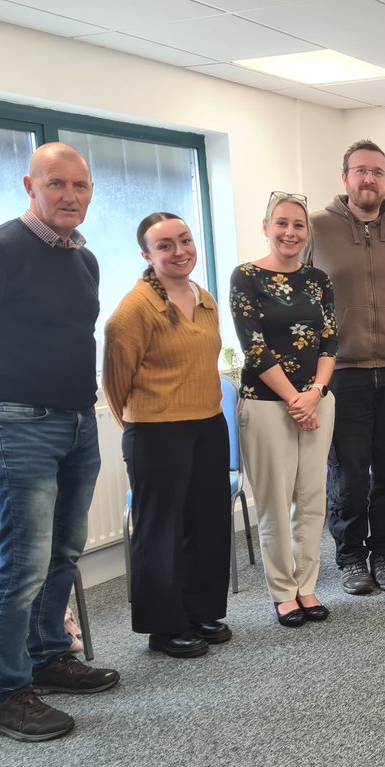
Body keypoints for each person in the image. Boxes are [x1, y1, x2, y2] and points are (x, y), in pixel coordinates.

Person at [0, 143, 119, 742]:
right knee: (24, 561)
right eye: (56, 184)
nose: (70, 196)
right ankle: (4, 694)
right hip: (18, 422)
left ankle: (48, 656)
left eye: (80, 186)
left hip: (78, 421)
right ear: (28, 186)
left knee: (64, 551)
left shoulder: (83, 260)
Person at [103, 212, 232, 659]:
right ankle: (164, 626)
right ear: (147, 255)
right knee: (161, 532)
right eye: (165, 246)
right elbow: (115, 385)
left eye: (185, 240)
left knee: (209, 522)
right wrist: (141, 428)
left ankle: (200, 611)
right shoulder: (133, 311)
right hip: (156, 433)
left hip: (208, 424)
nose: (179, 252)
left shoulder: (204, 297)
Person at [307, 139, 385, 596]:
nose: (369, 179)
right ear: (345, 178)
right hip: (343, 373)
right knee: (349, 475)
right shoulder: (317, 228)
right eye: (360, 171)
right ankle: (352, 556)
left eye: (378, 172)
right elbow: (301, 300)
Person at [230, 192, 338, 627]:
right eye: (282, 223)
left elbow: (330, 339)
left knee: (312, 500)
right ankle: (283, 592)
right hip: (266, 406)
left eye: (298, 225)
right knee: (275, 501)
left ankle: (307, 586)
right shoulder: (247, 277)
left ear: (307, 232)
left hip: (317, 402)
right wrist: (296, 400)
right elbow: (253, 347)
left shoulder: (319, 280)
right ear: (266, 226)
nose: (290, 232)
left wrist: (315, 392)